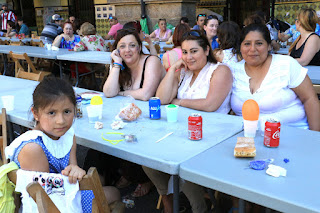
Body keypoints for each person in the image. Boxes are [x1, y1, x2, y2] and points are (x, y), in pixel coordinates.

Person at [144, 31, 232, 213]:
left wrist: (179, 101)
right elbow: (161, 98)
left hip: (211, 136)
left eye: (194, 51)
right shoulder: (184, 73)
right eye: (184, 52)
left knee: (182, 165)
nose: (188, 57)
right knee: (147, 159)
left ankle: (199, 207)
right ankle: (169, 202)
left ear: (207, 50)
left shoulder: (220, 70)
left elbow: (210, 104)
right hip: (180, 132)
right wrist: (173, 69)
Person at [5, 77, 121, 212]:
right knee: (112, 194)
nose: (60, 121)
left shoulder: (66, 135)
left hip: (66, 193)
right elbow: (46, 198)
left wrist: (75, 171)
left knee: (113, 192)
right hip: (49, 205)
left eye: (67, 111)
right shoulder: (33, 148)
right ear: (36, 113)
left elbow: (72, 167)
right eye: (51, 113)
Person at [232, 23, 320, 131]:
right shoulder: (233, 71)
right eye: (247, 44)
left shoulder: (286, 64)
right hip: (250, 139)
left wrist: (315, 138)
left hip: (294, 134)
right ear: (240, 47)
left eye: (259, 43)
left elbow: (310, 99)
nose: (252, 49)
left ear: (269, 46)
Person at [103, 29, 166, 100]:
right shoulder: (118, 63)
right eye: (122, 46)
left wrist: (121, 93)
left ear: (139, 48)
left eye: (132, 45)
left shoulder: (152, 61)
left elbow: (146, 95)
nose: (127, 50)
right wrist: (117, 64)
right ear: (117, 50)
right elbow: (109, 93)